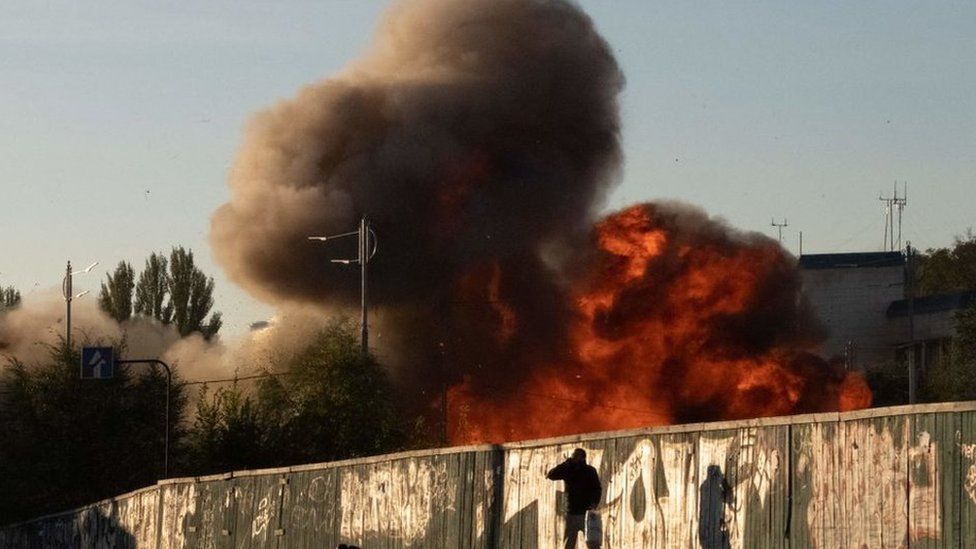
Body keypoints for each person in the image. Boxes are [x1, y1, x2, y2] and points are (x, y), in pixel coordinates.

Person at [547, 448, 602, 548]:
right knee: (569, 544)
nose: (574, 458)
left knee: (593, 543)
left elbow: (597, 489)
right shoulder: (568, 470)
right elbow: (551, 475)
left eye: (576, 456)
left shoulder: (590, 471)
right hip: (572, 513)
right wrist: (565, 464)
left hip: (587, 514)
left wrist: (594, 503)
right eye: (573, 456)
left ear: (583, 458)